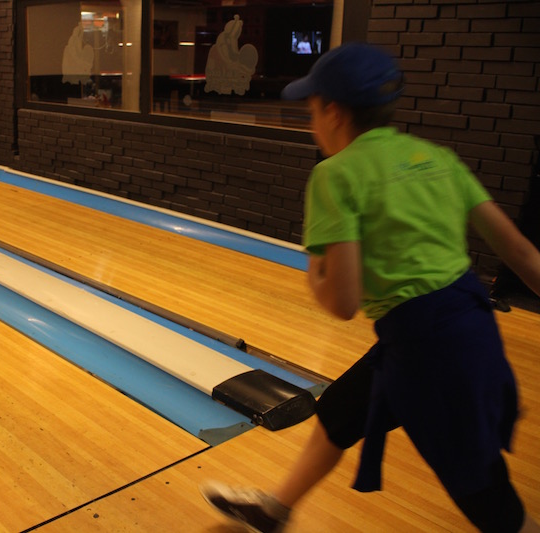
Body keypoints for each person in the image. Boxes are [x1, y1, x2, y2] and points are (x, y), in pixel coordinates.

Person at [200, 42, 540, 533]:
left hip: (427, 350)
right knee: (340, 411)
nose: (311, 123)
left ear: (334, 112)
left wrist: (315, 271)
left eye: (311, 111)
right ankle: (273, 511)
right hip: (466, 328)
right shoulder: (437, 158)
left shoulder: (335, 174)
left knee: (485, 494)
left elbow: (341, 303)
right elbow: (523, 254)